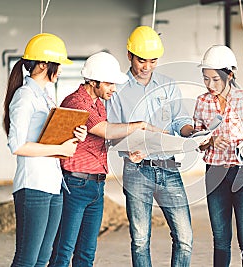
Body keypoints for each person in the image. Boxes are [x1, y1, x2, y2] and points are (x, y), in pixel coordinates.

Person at [48, 51, 161, 267]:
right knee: (63, 251)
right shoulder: (76, 101)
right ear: (93, 81)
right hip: (76, 184)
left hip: (96, 186)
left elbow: (101, 140)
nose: (113, 89)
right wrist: (139, 125)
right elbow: (105, 130)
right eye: (109, 84)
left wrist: (127, 149)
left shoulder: (98, 103)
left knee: (87, 253)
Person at [107, 26, 195, 267]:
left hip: (168, 168)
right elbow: (111, 129)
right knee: (139, 240)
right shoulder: (117, 89)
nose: (146, 66)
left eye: (153, 61)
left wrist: (192, 132)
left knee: (185, 237)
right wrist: (125, 147)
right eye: (141, 60)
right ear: (129, 56)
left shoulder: (168, 85)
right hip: (136, 170)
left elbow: (180, 121)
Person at [3, 33, 87, 267]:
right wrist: (59, 147)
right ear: (42, 64)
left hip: (53, 183)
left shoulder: (47, 97)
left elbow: (49, 136)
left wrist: (74, 136)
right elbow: (17, 145)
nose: (59, 69)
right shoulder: (24, 96)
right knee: (26, 260)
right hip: (33, 185)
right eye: (57, 64)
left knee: (43, 259)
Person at [193, 45, 243, 267]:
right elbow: (197, 142)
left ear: (229, 75)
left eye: (215, 80)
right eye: (205, 78)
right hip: (215, 174)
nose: (210, 85)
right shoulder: (202, 102)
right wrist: (210, 141)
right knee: (220, 240)